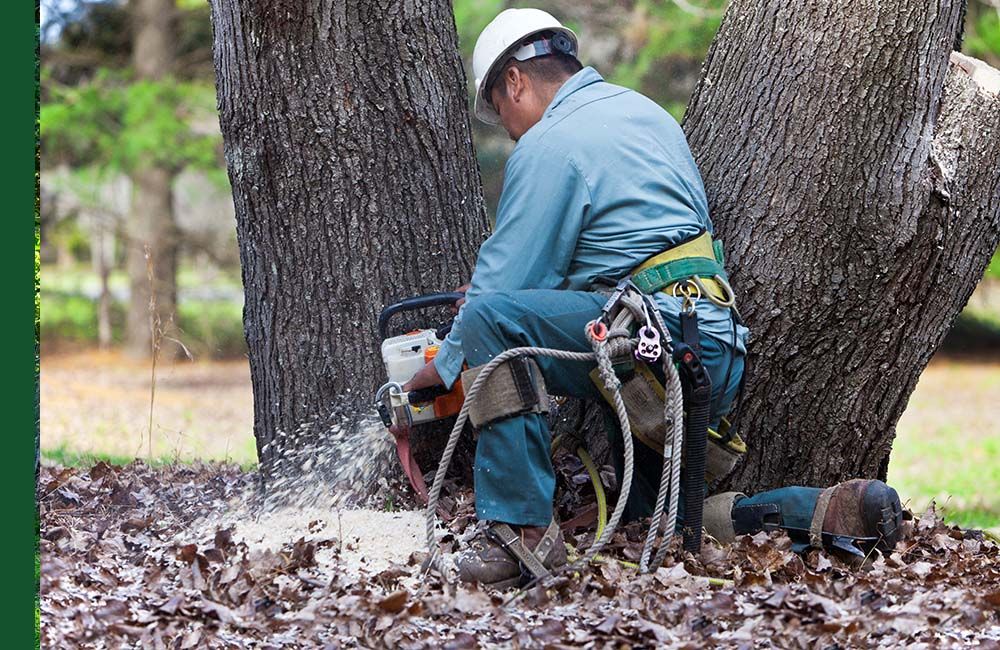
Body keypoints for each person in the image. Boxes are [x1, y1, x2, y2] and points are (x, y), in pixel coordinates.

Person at [399, 8, 903, 589]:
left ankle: (520, 534)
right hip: (706, 343)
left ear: (515, 80)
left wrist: (439, 370)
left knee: (490, 321)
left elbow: (498, 294)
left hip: (642, 344)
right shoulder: (645, 113)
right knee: (654, 526)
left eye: (503, 112)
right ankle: (814, 510)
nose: (511, 130)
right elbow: (621, 249)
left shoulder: (547, 145)